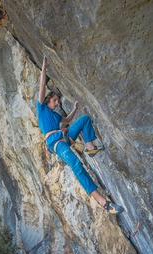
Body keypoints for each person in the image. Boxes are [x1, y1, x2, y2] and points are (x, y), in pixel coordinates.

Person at [37, 56, 124, 215]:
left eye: (57, 100)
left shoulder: (56, 116)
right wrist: (44, 67)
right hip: (56, 143)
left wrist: (75, 108)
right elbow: (42, 85)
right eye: (55, 100)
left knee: (84, 119)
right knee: (76, 164)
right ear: (48, 101)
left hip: (65, 136)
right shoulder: (42, 109)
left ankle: (90, 147)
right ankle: (103, 202)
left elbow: (68, 119)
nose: (57, 103)